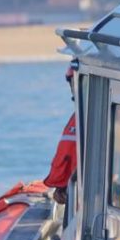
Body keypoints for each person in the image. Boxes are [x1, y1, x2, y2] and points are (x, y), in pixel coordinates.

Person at [44, 61, 79, 204]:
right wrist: (62, 188)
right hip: (75, 198)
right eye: (73, 84)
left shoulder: (111, 119)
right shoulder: (78, 118)